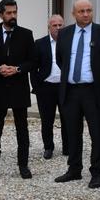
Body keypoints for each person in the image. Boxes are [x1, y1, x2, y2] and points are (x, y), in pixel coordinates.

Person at [54, 0, 100, 189]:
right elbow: (60, 59)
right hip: (71, 91)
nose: (86, 14)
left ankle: (96, 171)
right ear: (73, 13)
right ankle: (74, 169)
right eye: (81, 11)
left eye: (89, 10)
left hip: (94, 91)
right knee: (73, 132)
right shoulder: (64, 33)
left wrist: (99, 76)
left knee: (97, 133)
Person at [0, 0, 35, 179]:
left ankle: (23, 165)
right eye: (9, 13)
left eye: (15, 12)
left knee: (22, 129)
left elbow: (33, 61)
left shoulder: (26, 34)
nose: (13, 16)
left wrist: (18, 69)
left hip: (19, 88)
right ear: (1, 15)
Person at [30, 14, 68, 159]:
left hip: (65, 87)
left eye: (60, 25)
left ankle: (68, 147)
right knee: (47, 120)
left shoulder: (69, 42)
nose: (58, 28)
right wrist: (37, 87)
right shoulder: (40, 43)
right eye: (54, 25)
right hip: (46, 88)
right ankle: (48, 147)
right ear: (49, 27)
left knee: (67, 119)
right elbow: (33, 68)